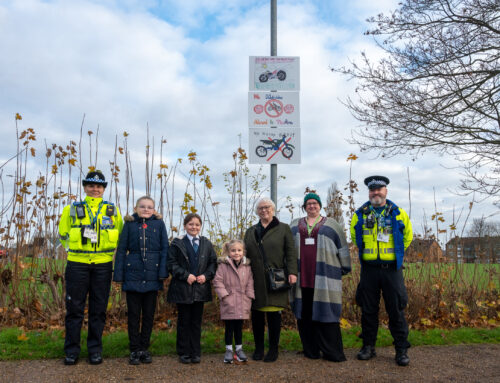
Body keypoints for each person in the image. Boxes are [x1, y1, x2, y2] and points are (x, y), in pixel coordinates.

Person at [58, 170, 123, 365]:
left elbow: (119, 234)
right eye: (91, 185)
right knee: (74, 309)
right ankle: (71, 351)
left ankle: (95, 350)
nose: (95, 189)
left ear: (103, 189)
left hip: (102, 265)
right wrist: (75, 251)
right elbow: (63, 234)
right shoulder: (72, 208)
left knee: (98, 309)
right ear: (85, 187)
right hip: (77, 264)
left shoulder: (112, 210)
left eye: (99, 186)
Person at [350, 175, 413, 366]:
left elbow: (408, 236)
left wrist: (396, 254)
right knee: (368, 310)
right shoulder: (360, 213)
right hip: (369, 270)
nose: (376, 193)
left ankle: (401, 350)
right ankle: (368, 347)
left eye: (379, 189)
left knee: (396, 310)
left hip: (391, 270)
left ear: (386, 191)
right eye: (372, 190)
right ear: (369, 192)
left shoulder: (398, 212)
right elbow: (354, 236)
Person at [290, 192, 351, 362]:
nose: (312, 206)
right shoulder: (294, 224)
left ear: (320, 206)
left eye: (315, 203)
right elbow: (288, 250)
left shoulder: (332, 225)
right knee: (305, 314)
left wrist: (344, 267)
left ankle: (333, 352)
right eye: (308, 203)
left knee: (326, 313)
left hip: (325, 278)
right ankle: (311, 350)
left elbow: (343, 247)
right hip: (302, 279)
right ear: (304, 206)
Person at [113, 196, 169, 365]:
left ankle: (144, 348)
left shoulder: (159, 225)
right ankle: (134, 349)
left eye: (149, 207)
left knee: (149, 315)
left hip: (152, 275)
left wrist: (162, 272)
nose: (146, 209)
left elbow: (165, 249)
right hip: (133, 275)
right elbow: (122, 250)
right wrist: (119, 275)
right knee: (134, 315)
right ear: (136, 208)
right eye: (142, 206)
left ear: (154, 209)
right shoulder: (129, 224)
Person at [244, 197, 297, 362]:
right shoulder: (251, 231)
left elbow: (290, 253)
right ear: (257, 212)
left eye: (267, 207)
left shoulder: (284, 229)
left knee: (274, 315)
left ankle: (273, 349)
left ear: (273, 209)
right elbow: (244, 253)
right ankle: (259, 349)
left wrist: (293, 272)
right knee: (257, 314)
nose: (263, 210)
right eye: (260, 208)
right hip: (255, 278)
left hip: (277, 277)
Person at [167, 213, 217, 364]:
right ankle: (183, 352)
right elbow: (171, 263)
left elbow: (213, 263)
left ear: (200, 227)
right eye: (190, 224)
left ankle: (195, 351)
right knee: (184, 321)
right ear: (184, 226)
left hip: (200, 289)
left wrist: (206, 276)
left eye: (197, 225)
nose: (194, 227)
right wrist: (185, 275)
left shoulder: (206, 243)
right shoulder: (177, 243)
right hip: (183, 289)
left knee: (196, 322)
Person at [213, 239, 255, 364]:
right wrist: (224, 296)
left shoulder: (247, 266)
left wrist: (249, 296)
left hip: (242, 301)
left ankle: (239, 349)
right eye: (233, 250)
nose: (236, 253)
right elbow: (217, 281)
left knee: (239, 327)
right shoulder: (223, 266)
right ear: (228, 252)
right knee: (229, 327)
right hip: (229, 302)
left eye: (239, 250)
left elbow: (250, 282)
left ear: (243, 252)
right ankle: (228, 350)